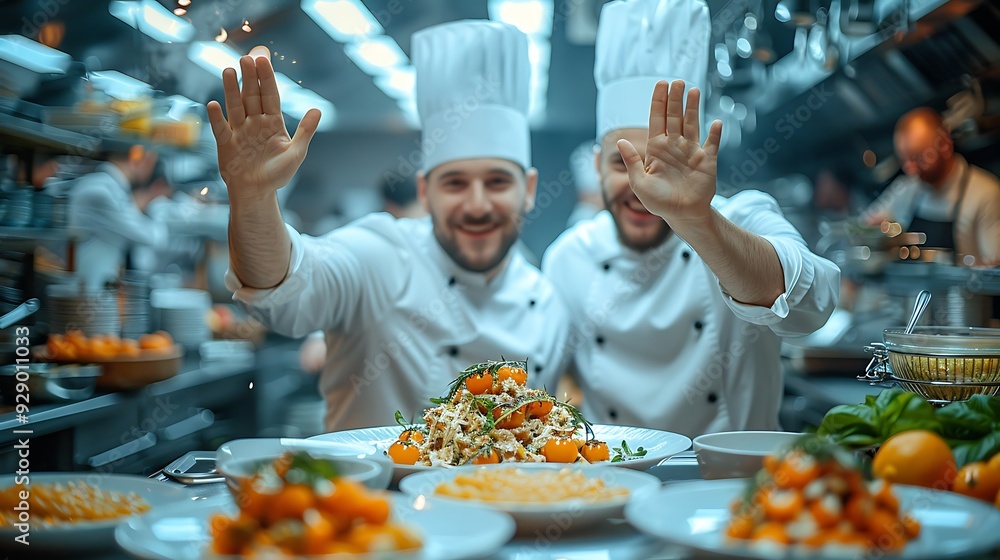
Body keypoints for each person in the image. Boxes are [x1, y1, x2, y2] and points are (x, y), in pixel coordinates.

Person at [210, 21, 570, 431]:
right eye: (454, 183)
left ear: (529, 189)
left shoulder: (550, 306)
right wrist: (254, 198)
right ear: (424, 190)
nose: (477, 204)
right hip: (369, 496)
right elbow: (281, 288)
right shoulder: (379, 255)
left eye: (498, 182)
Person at [542, 0, 840, 437]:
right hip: (612, 491)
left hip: (735, 492)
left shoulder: (743, 215)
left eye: (661, 163)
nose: (644, 186)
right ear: (595, 165)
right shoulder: (568, 258)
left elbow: (813, 307)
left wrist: (695, 219)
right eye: (622, 163)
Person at [863, 107, 1000, 267]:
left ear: (945, 146)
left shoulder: (986, 193)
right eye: (904, 161)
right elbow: (866, 223)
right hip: (913, 289)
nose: (910, 169)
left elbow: (994, 270)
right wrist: (876, 230)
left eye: (918, 158)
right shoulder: (907, 187)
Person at [67, 144, 167, 289]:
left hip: (97, 291)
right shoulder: (100, 191)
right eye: (150, 160)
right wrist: (158, 205)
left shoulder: (113, 188)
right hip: (85, 293)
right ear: (137, 157)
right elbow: (148, 236)